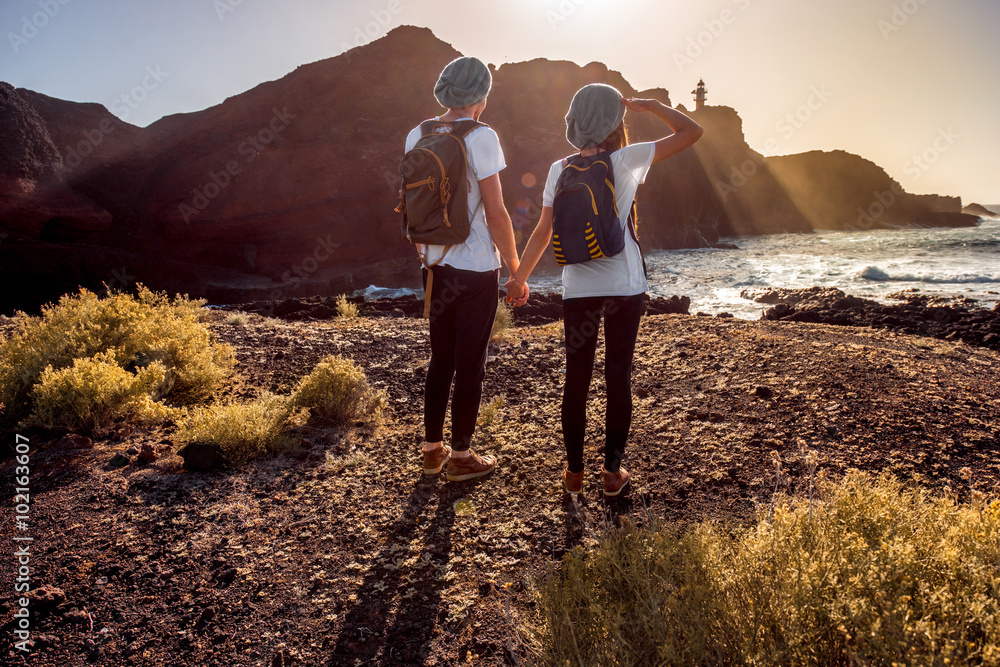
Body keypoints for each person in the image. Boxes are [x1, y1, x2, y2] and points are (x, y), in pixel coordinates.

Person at [505, 83, 703, 495]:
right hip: (624, 285)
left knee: (576, 377)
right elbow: (692, 132)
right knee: (618, 376)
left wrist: (520, 278)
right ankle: (612, 474)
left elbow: (543, 231)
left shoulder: (559, 168)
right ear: (615, 120)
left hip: (577, 286)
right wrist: (652, 106)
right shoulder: (626, 158)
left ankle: (574, 474)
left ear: (574, 120)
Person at [409, 56, 524, 482]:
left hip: (433, 265)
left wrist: (426, 254)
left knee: (441, 357)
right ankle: (461, 457)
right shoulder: (482, 136)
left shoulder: (417, 133)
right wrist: (516, 268)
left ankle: (431, 451)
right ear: (481, 95)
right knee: (471, 361)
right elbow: (496, 212)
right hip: (475, 267)